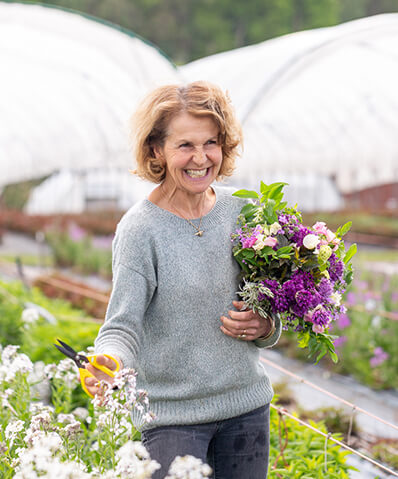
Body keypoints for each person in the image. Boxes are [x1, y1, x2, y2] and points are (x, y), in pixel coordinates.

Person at [85, 81, 281, 479]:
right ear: (157, 149)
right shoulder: (141, 229)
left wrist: (266, 325)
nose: (200, 157)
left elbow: (269, 306)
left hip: (246, 411)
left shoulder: (243, 213)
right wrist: (108, 362)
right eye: (185, 145)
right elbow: (122, 325)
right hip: (171, 420)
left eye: (211, 142)